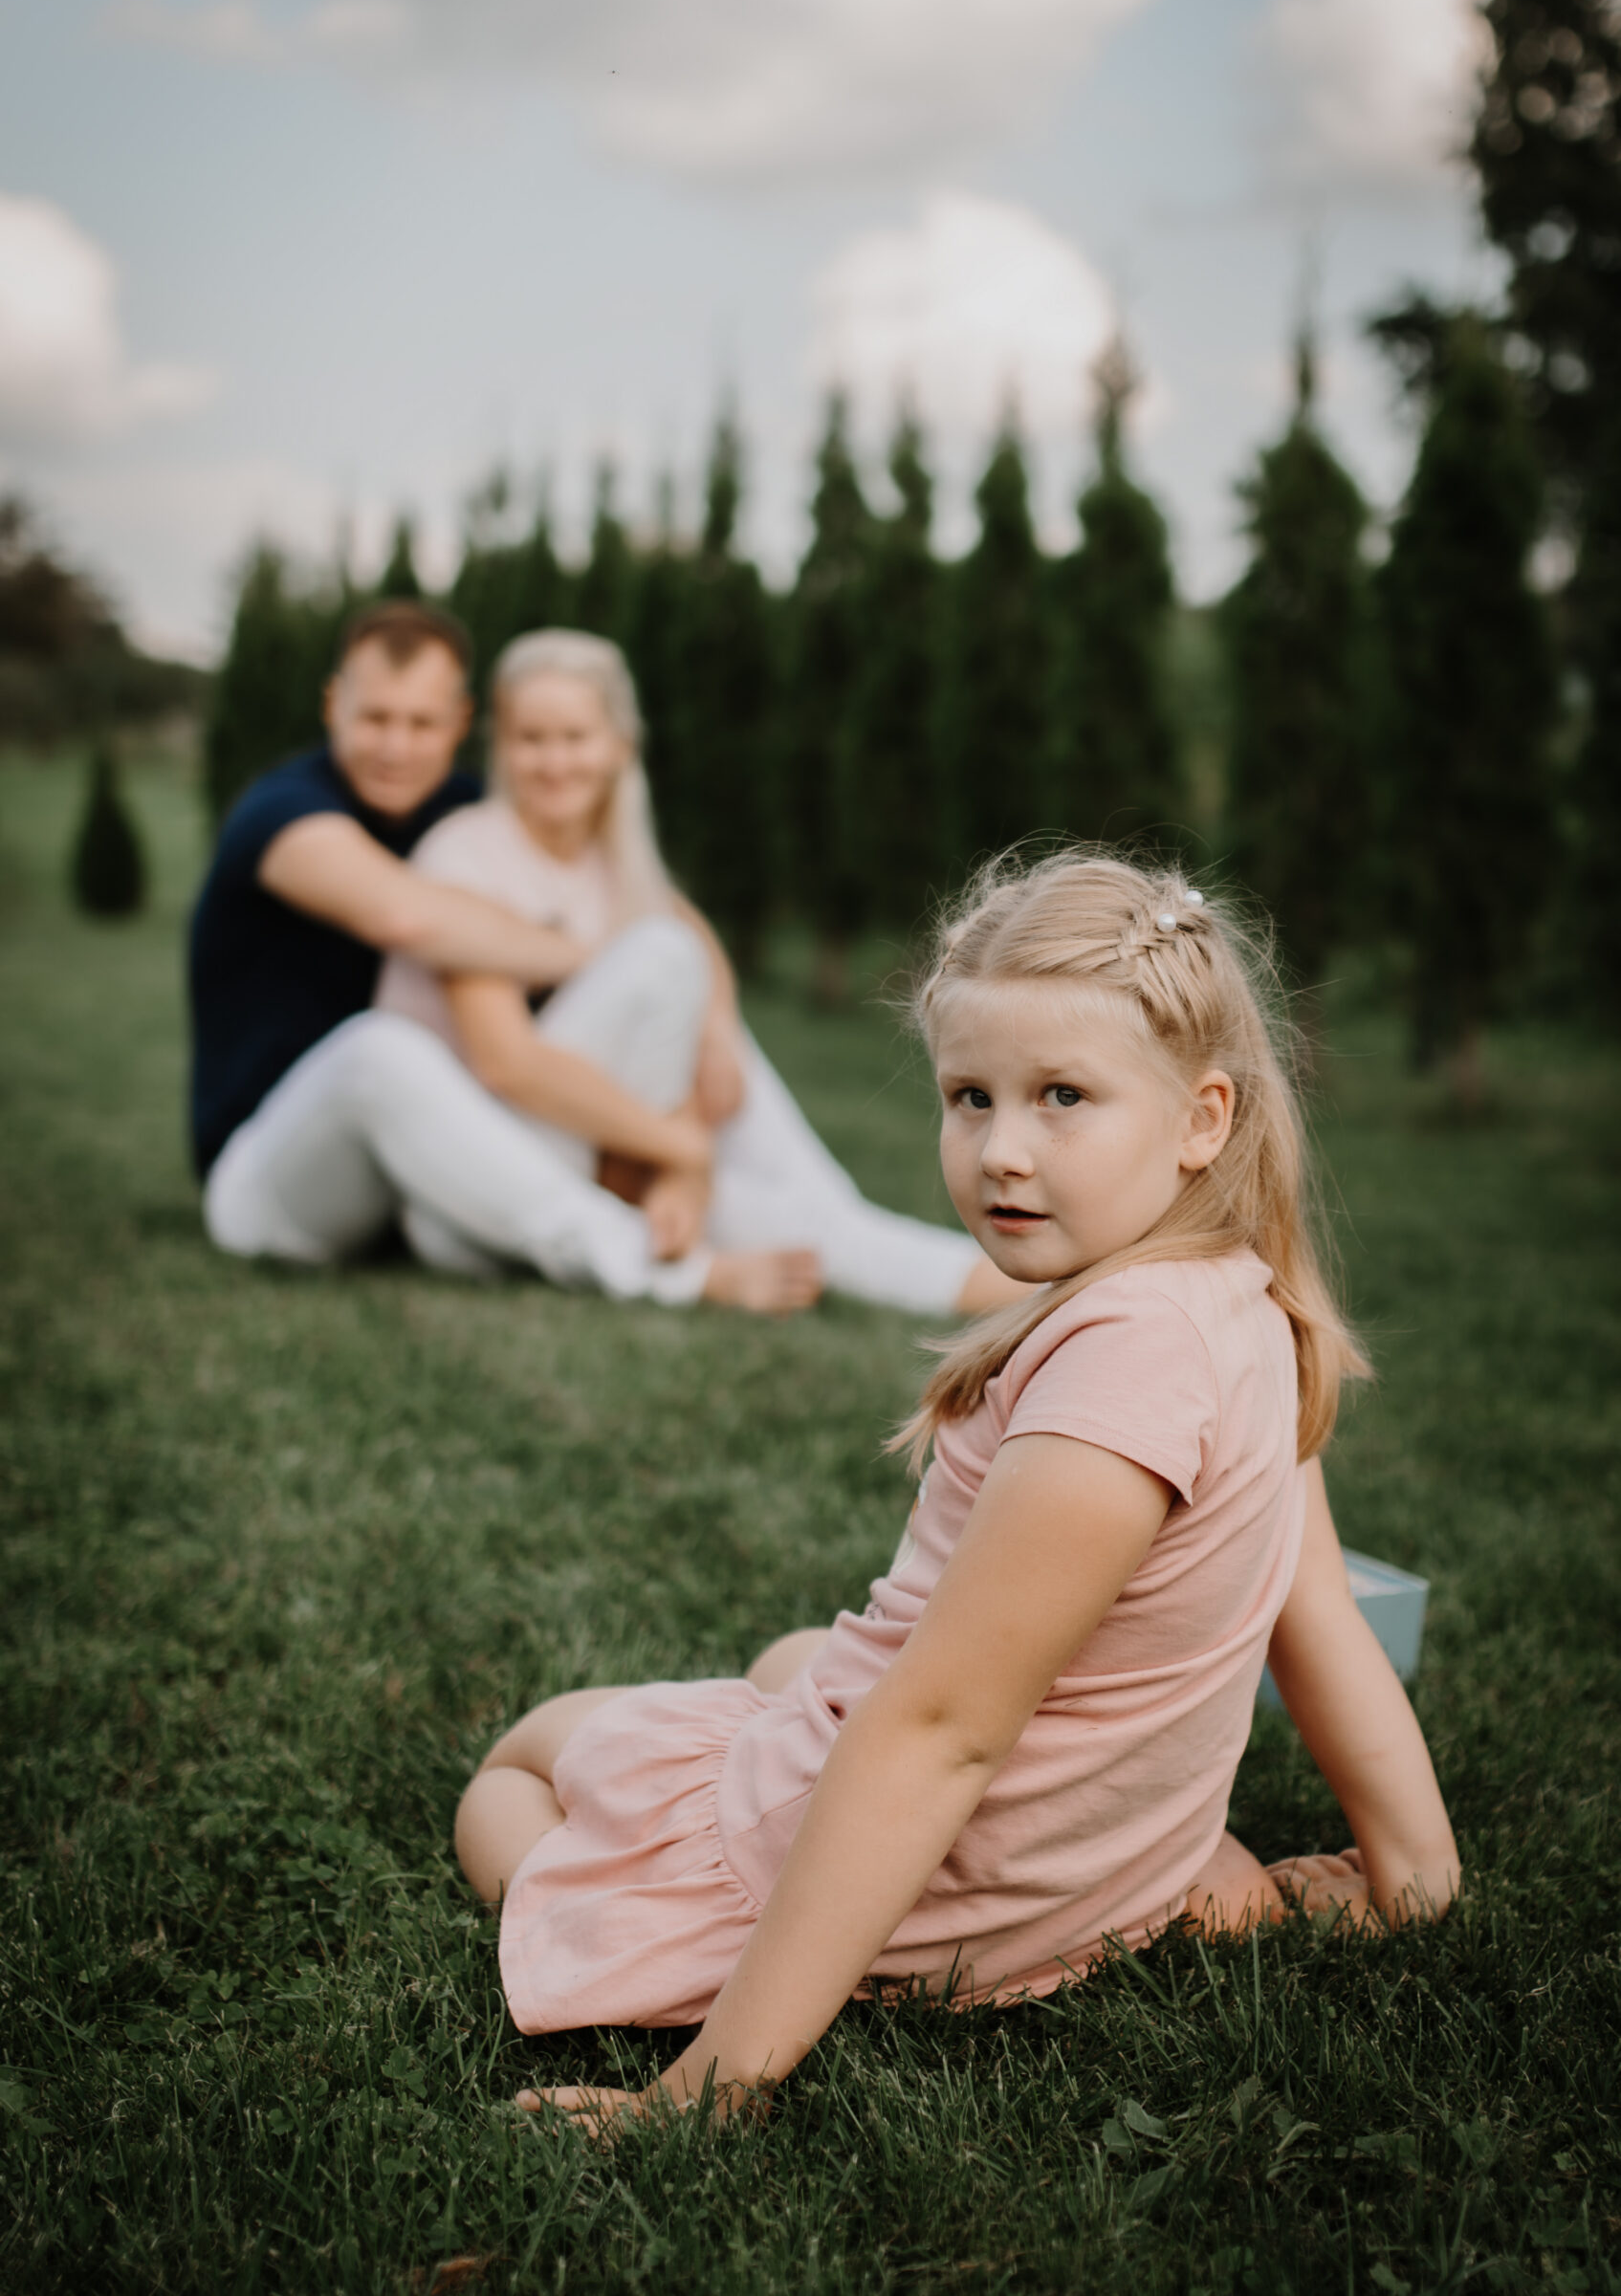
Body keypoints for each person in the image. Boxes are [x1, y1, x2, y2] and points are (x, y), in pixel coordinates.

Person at [451, 852, 1460, 2128]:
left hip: (978, 1874)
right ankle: (1169, 1890)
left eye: (1061, 1097)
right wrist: (1413, 1871)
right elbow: (1312, 1611)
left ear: (1201, 1119)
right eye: (969, 1097)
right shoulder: (1242, 1299)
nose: (1001, 1152)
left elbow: (940, 1735)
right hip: (1105, 1845)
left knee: (517, 1772)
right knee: (791, 1660)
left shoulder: (1122, 1366)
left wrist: (706, 2088)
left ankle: (704, 1939)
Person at [374, 628, 1023, 1318]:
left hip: (597, 1150)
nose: (554, 761)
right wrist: (684, 1154)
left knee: (800, 1220)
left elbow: (692, 941)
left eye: (575, 737)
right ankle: (1011, 1283)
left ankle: (1031, 1289)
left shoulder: (618, 868)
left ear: (620, 746)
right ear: (500, 748)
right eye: (530, 739)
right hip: (477, 1182)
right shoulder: (464, 854)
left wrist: (712, 1034)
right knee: (662, 954)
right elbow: (507, 1064)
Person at [190, 600, 813, 1312]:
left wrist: (716, 1021)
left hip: (403, 1181)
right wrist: (598, 953)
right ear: (334, 706)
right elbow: (406, 917)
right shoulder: (282, 813)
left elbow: (674, 917)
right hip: (276, 1174)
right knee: (378, 1050)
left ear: (460, 723)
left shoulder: (461, 806)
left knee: (422, 1070)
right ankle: (670, 1272)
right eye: (375, 719)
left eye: (421, 723)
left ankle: (788, 1223)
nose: (396, 746)